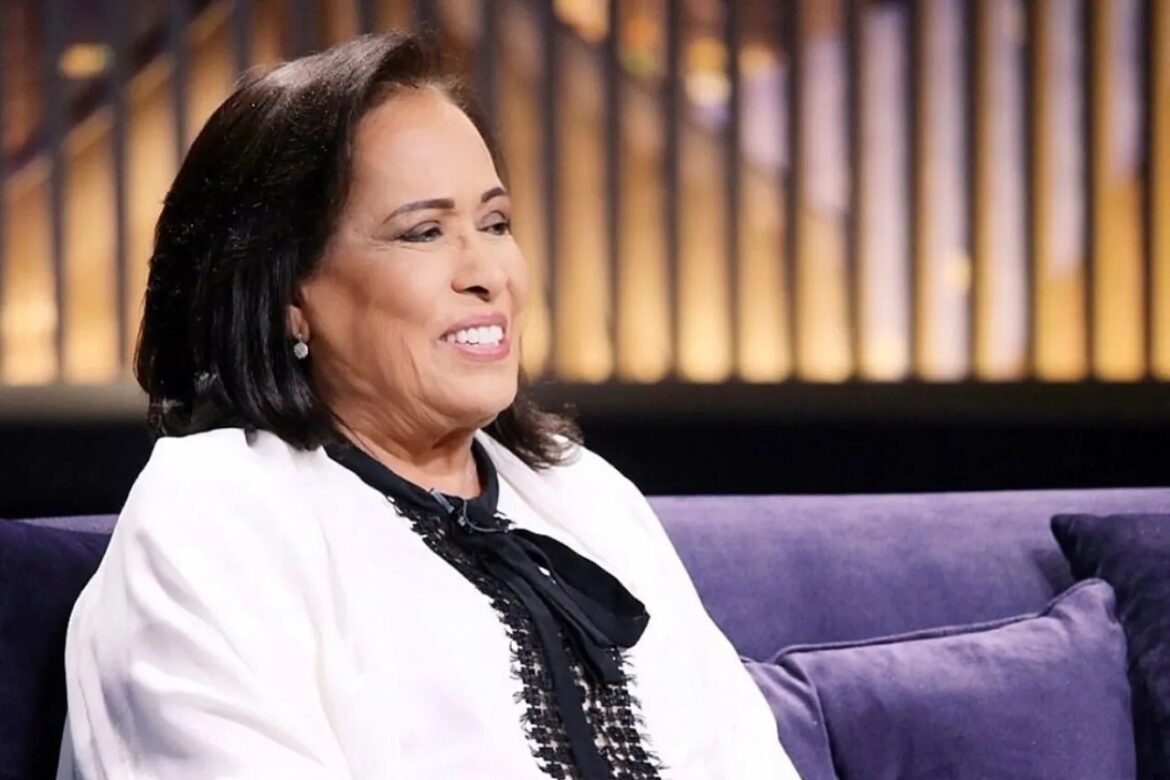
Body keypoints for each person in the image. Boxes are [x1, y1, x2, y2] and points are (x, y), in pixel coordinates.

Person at [59, 33, 799, 780]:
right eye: (423, 232)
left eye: (496, 223)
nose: (487, 274)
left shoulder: (587, 496)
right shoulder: (219, 514)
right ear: (289, 295)